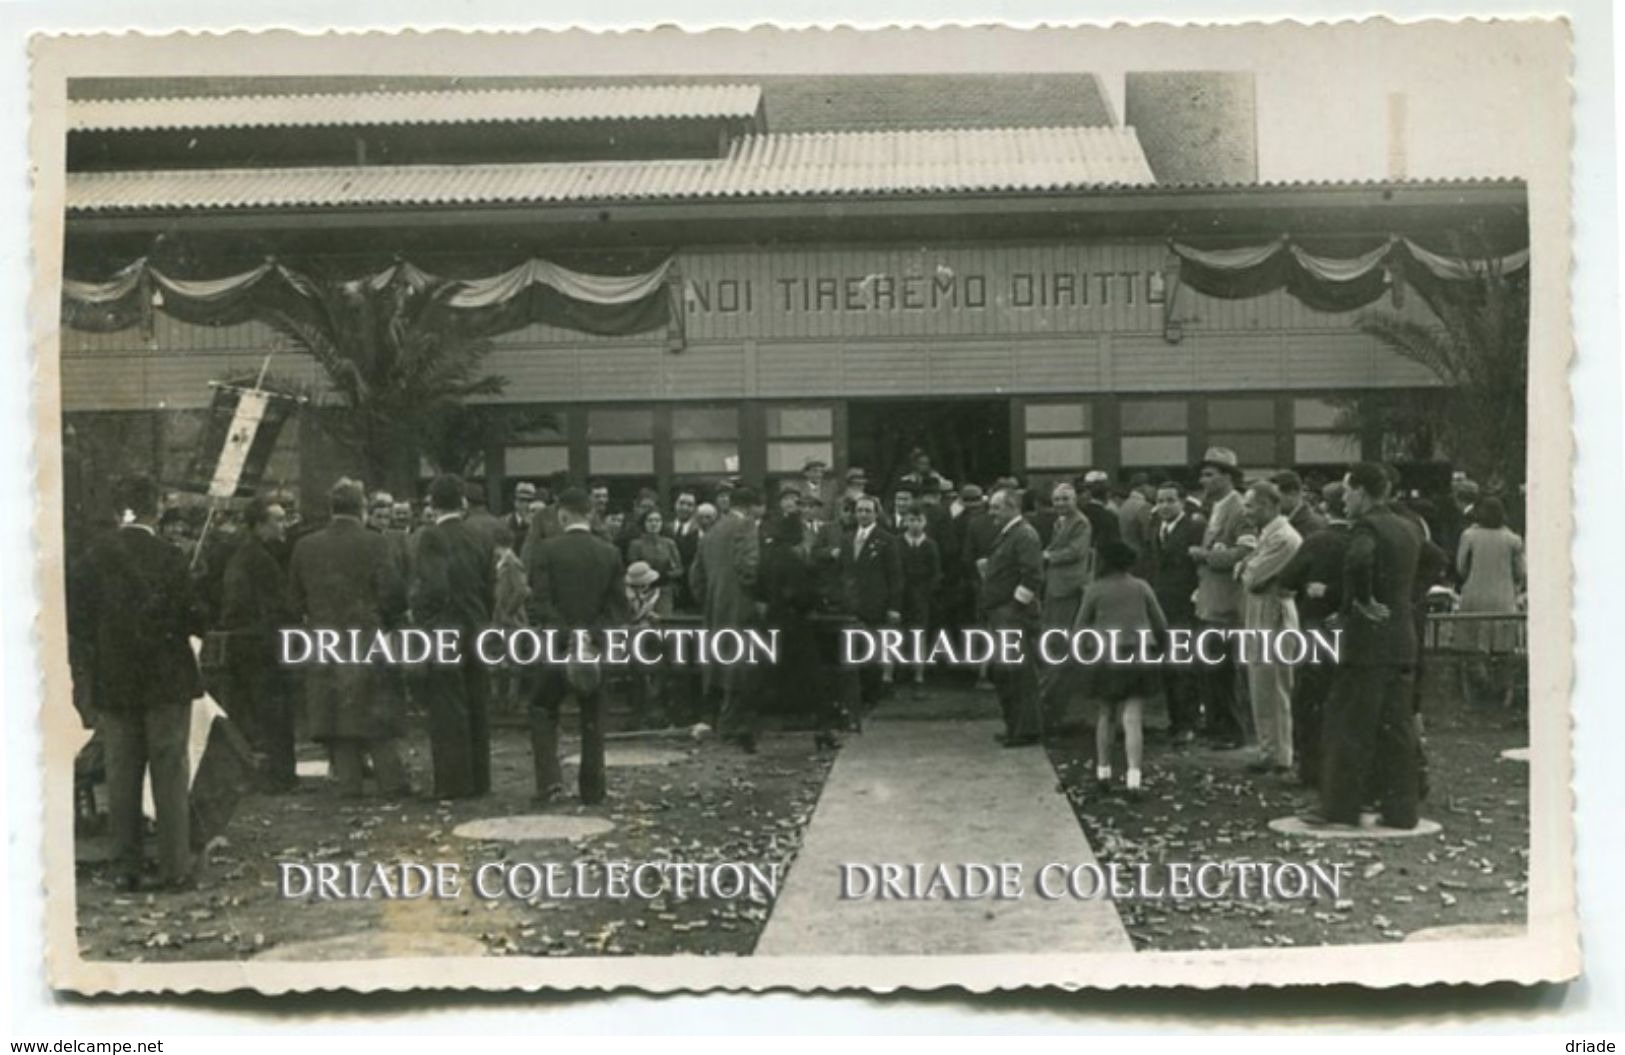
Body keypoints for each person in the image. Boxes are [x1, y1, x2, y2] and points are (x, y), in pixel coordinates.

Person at [68, 475, 206, 891]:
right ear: (155, 509)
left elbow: (78, 621)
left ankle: (125, 867)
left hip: (116, 678)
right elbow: (195, 617)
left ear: (118, 510)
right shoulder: (172, 556)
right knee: (169, 772)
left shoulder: (93, 558)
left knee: (122, 774)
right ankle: (174, 868)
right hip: (167, 680)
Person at [1308, 463, 1424, 831]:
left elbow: (1359, 560)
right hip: (1402, 637)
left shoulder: (1367, 527)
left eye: (1346, 492)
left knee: (1348, 724)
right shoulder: (1409, 527)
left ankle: (1340, 807)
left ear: (1361, 491)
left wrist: (1361, 602)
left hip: (1366, 642)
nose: (1344, 500)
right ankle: (1402, 810)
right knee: (1398, 728)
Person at [288, 477, 410, 799]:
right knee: (376, 713)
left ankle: (348, 783)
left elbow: (293, 598)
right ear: (362, 508)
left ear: (332, 508)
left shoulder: (305, 546)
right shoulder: (376, 543)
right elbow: (393, 595)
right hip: (367, 635)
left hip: (324, 638)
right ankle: (391, 782)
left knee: (336, 715)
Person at [527, 487, 626, 803]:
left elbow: (539, 603)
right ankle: (593, 787)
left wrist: (568, 633)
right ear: (591, 514)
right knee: (593, 715)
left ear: (563, 515)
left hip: (556, 645)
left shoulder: (546, 550)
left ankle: (550, 783)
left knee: (542, 708)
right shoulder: (609, 553)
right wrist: (589, 635)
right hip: (595, 647)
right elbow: (617, 609)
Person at [410, 474, 496, 799]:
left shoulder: (431, 537)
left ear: (432, 504)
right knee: (477, 702)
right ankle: (480, 780)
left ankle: (454, 783)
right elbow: (489, 587)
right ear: (462, 502)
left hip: (445, 628)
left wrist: (425, 620)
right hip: (476, 625)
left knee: (448, 707)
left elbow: (433, 587)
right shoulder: (480, 536)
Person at [1076, 540, 1169, 794]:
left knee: (1105, 714)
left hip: (1106, 653)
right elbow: (1160, 622)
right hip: (1138, 651)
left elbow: (1080, 627)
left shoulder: (1094, 590)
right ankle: (1134, 778)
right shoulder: (1141, 587)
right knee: (1133, 717)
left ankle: (1103, 772)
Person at [1276, 481, 1353, 787]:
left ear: (1324, 506)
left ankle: (1311, 769)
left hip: (1317, 624)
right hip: (1356, 627)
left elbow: (1288, 578)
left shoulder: (1319, 540)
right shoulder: (1363, 537)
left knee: (1311, 699)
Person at [218, 497, 296, 792]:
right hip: (262, 645)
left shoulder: (246, 553)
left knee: (257, 712)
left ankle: (266, 774)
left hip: (249, 642)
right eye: (277, 519)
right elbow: (275, 605)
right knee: (272, 712)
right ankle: (278, 776)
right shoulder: (259, 559)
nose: (283, 524)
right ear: (260, 524)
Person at [691, 485, 765, 752]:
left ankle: (713, 722)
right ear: (750, 506)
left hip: (715, 607)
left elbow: (696, 576)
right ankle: (731, 727)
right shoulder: (746, 527)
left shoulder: (712, 531)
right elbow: (750, 567)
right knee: (740, 666)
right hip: (740, 607)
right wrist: (757, 597)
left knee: (719, 664)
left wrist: (710, 600)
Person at [1236, 480, 1303, 775]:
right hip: (1261, 609)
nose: (1246, 512)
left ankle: (1279, 753)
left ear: (1267, 504)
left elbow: (1250, 575)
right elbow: (1248, 569)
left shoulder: (1284, 538)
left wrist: (1246, 566)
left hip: (1273, 613)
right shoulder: (1269, 534)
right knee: (1261, 684)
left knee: (1273, 684)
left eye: (1250, 505)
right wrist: (1247, 566)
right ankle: (1269, 749)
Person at [1188, 447, 1253, 748]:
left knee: (1225, 671)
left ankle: (1233, 731)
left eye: (1210, 474)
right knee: (1210, 669)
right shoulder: (1215, 507)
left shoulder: (1240, 509)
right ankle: (1217, 726)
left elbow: (1244, 554)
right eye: (1203, 475)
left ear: (1228, 477)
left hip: (1227, 603)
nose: (1203, 481)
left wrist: (1204, 556)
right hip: (1210, 600)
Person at [759, 513, 836, 748]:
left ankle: (750, 729)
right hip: (794, 624)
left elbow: (759, 589)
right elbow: (803, 595)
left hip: (771, 622)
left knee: (765, 676)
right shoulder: (793, 560)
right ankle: (823, 729)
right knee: (814, 677)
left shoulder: (769, 556)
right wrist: (819, 602)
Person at [979, 488, 1044, 745]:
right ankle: (1016, 727)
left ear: (1011, 508)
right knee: (1007, 674)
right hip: (1002, 613)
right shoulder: (1012, 535)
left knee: (1018, 676)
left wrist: (1016, 607)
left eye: (996, 508)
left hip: (1011, 615)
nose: (992, 513)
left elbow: (1033, 576)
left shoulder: (1024, 535)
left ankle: (1025, 730)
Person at [1146, 481, 1205, 746]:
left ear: (1182, 501)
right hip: (1161, 605)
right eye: (1160, 501)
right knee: (1167, 666)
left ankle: (1188, 723)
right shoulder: (1155, 528)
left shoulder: (1193, 528)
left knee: (1183, 666)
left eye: (1170, 500)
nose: (1165, 506)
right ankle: (1174, 720)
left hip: (1184, 605)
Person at [1454, 497, 1526, 708]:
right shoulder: (1513, 539)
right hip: (1503, 597)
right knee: (1503, 649)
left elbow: (1461, 567)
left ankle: (1475, 695)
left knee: (1473, 646)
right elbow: (1520, 572)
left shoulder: (1469, 536)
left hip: (1474, 596)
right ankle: (1505, 696)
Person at [839, 495, 903, 712]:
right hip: (851, 604)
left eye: (868, 511)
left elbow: (895, 576)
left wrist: (894, 606)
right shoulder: (847, 539)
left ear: (876, 513)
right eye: (860, 510)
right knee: (853, 650)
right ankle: (857, 697)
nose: (863, 515)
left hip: (876, 602)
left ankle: (872, 696)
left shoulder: (886, 540)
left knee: (872, 651)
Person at [1038, 481, 1092, 729]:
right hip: (1054, 586)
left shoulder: (1080, 522)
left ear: (1075, 500)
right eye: (1057, 499)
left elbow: (1076, 551)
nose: (1060, 503)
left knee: (1061, 642)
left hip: (1068, 588)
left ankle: (1053, 704)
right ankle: (1050, 703)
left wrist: (1048, 556)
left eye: (1065, 499)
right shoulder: (1058, 523)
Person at [622, 561, 671, 730]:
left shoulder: (652, 594)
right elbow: (628, 616)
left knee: (656, 663)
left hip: (647, 637)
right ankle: (646, 712)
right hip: (629, 637)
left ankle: (650, 710)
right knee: (643, 669)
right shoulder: (626, 595)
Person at [897, 508, 942, 689]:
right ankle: (894, 675)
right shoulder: (897, 543)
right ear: (905, 522)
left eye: (918, 520)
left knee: (919, 635)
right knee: (897, 634)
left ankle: (919, 676)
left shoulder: (930, 545)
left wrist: (927, 592)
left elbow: (936, 573)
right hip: (900, 595)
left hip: (922, 597)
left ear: (924, 523)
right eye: (911, 519)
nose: (915, 523)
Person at [490, 524, 531, 715]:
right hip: (501, 618)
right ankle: (500, 701)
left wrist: (508, 611)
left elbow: (522, 590)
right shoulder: (502, 562)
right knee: (501, 658)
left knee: (513, 661)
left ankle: (511, 702)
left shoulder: (512, 563)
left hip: (511, 620)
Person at [626, 507, 684, 592]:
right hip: (642, 588)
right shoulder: (636, 545)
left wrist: (665, 575)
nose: (654, 524)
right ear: (644, 523)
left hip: (665, 588)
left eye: (657, 520)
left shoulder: (669, 543)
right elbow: (633, 569)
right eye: (650, 521)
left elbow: (679, 569)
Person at [1273, 471, 1326, 539]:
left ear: (1292, 494)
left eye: (1274, 498)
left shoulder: (1313, 526)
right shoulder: (1280, 520)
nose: (1271, 502)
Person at [1116, 473, 1155, 560]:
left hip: (1126, 554)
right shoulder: (1145, 506)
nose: (1154, 490)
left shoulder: (1125, 504)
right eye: (1152, 486)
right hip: (1141, 557)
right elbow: (1148, 537)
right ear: (1143, 486)